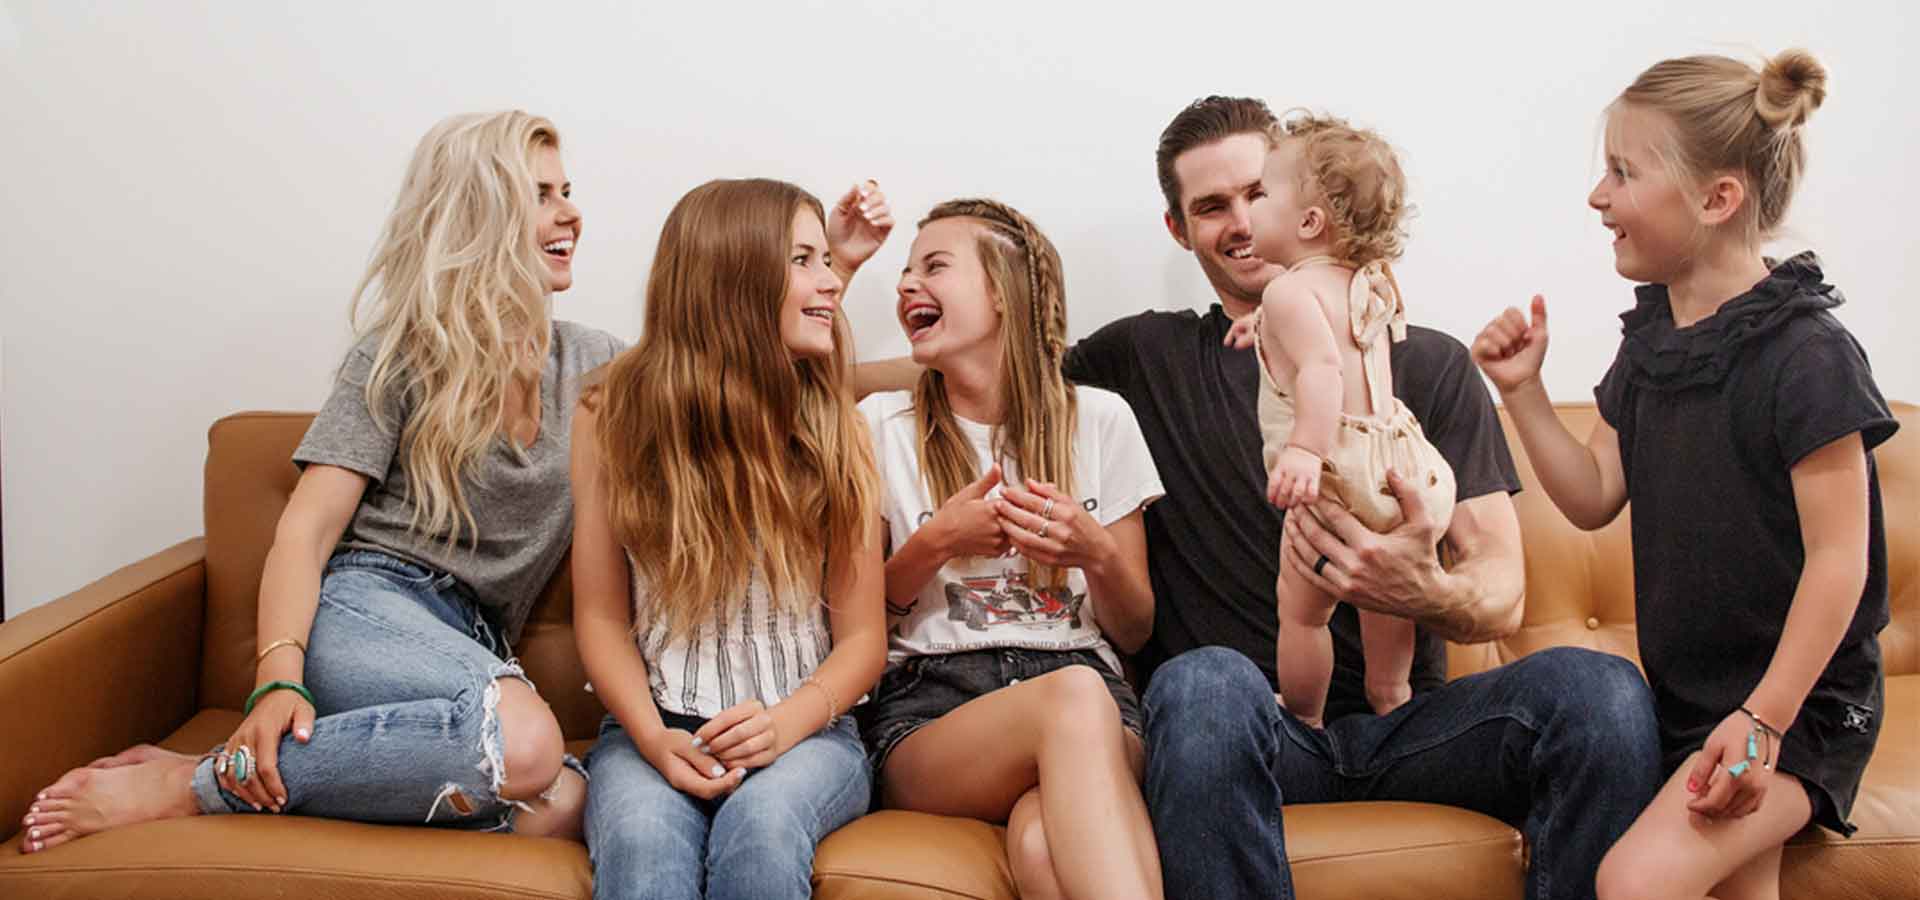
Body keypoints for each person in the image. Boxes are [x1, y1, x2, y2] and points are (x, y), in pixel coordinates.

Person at [23, 110, 616, 849]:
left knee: (566, 806)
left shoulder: (596, 369)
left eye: (568, 190)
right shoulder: (399, 357)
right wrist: (279, 678)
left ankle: (228, 772)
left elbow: (716, 388)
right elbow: (304, 535)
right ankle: (198, 786)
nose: (572, 213)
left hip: (472, 645)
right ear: (479, 216)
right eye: (542, 195)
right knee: (525, 743)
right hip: (366, 611)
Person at [1473, 50, 1894, 900]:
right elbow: (1593, 498)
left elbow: (1841, 560)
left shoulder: (1808, 355)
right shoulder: (1653, 342)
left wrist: (1762, 721)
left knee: (1634, 879)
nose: (1599, 197)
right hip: (1695, 697)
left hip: (1798, 705)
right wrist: (1522, 396)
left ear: (1717, 198)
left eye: (1623, 173)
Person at [570, 177, 893, 900]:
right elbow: (598, 615)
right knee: (642, 848)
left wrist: (784, 725)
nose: (830, 282)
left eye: (827, 261)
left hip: (811, 734)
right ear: (736, 277)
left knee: (763, 828)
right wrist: (654, 738)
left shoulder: (840, 427)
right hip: (652, 730)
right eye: (805, 261)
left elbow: (864, 641)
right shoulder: (608, 414)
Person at [857, 198, 1164, 900]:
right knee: (1074, 700)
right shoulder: (877, 426)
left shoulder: (1101, 420)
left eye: (934, 266)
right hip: (933, 712)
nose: (906, 285)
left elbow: (1135, 629)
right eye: (905, 271)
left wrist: (1095, 551)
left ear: (1004, 291)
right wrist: (936, 543)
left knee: (1042, 845)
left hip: (1090, 695)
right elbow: (851, 626)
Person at [1230, 110, 1455, 726]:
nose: (1249, 210)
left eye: (1260, 194)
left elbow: (1322, 370)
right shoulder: (1368, 282)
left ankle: (1303, 718)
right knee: (1387, 601)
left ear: (1308, 221)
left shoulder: (1284, 293)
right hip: (1396, 469)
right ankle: (1393, 701)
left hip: (1335, 470)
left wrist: (1305, 450)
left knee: (1303, 611)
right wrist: (1264, 328)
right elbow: (1341, 344)